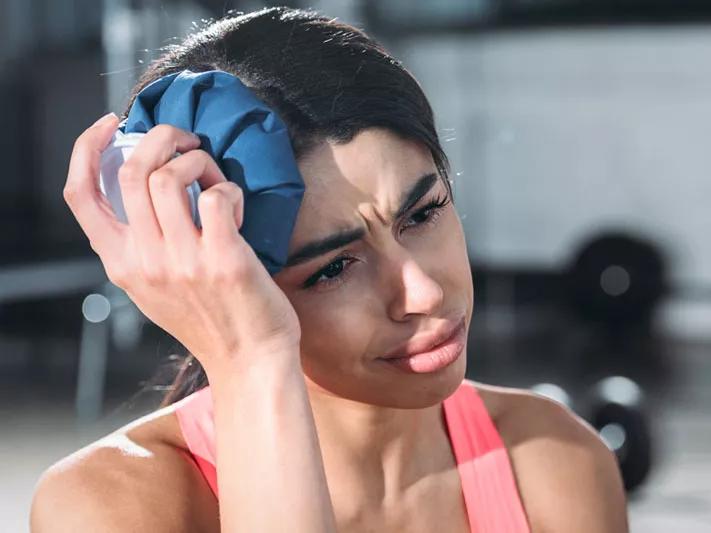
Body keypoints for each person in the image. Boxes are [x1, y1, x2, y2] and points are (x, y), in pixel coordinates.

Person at [30, 6, 628, 532]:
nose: (421, 291)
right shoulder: (110, 507)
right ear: (217, 281)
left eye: (422, 214)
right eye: (332, 268)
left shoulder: (556, 462)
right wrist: (250, 358)